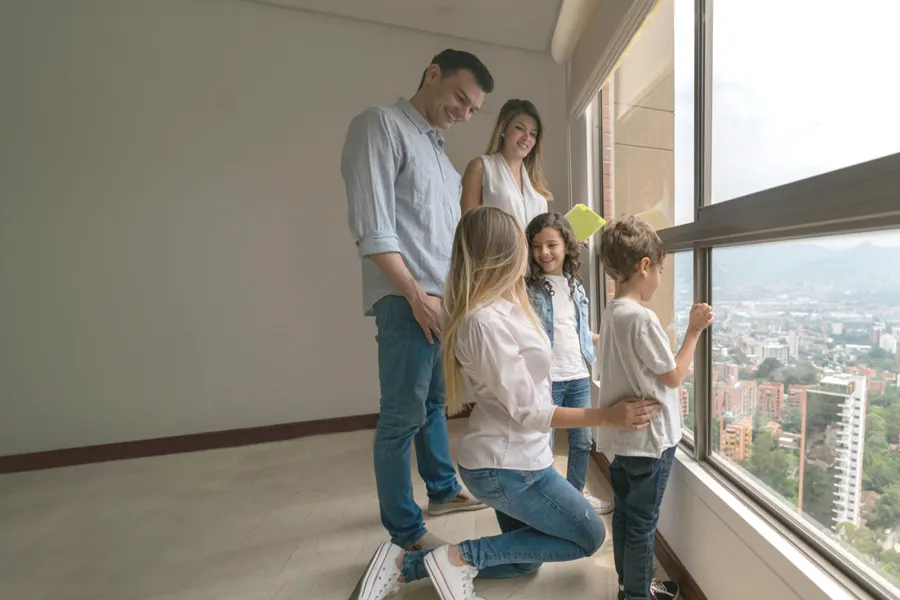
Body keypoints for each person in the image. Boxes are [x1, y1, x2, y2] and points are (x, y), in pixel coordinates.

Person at [355, 207, 664, 600]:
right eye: (525, 244)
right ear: (505, 252)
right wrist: (608, 416)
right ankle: (458, 558)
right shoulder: (484, 321)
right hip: (506, 468)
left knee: (522, 561)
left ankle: (404, 565)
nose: (531, 253)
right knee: (588, 535)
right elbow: (531, 412)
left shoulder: (506, 303)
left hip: (516, 459)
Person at [341, 49, 495, 553]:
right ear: (432, 75)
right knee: (400, 418)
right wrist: (416, 297)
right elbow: (374, 229)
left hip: (440, 303)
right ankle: (405, 532)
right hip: (408, 301)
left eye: (473, 109)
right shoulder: (380, 126)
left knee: (432, 405)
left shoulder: (442, 159)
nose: (464, 113)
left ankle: (443, 490)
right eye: (459, 98)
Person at [597, 216, 714, 600]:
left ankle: (628, 585)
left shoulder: (612, 312)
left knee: (625, 515)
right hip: (650, 443)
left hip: (622, 443)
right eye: (660, 270)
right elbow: (674, 375)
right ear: (644, 266)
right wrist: (694, 330)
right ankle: (637, 595)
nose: (660, 278)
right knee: (643, 526)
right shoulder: (641, 318)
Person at [525, 212, 613, 515]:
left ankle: (575, 495)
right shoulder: (528, 288)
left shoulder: (576, 286)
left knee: (582, 440)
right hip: (546, 378)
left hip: (577, 375)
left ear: (566, 246)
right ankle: (546, 500)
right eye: (537, 246)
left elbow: (577, 330)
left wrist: (609, 337)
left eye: (552, 245)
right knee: (543, 443)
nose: (544, 252)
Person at [459, 99, 552, 227]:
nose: (526, 137)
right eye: (519, 128)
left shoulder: (535, 182)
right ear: (503, 128)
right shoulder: (481, 168)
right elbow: (466, 228)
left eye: (533, 134)